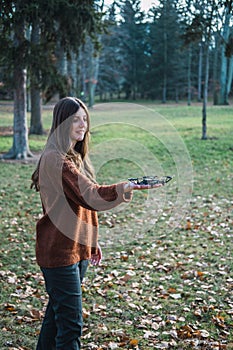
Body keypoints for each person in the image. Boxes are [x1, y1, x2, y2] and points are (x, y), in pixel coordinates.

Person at [31, 97, 162, 350]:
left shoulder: (71, 157)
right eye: (75, 120)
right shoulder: (56, 159)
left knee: (56, 319)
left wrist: (90, 240)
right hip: (59, 253)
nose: (83, 125)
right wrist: (127, 186)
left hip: (75, 248)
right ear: (61, 123)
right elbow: (90, 195)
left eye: (85, 119)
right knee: (70, 326)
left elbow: (78, 205)